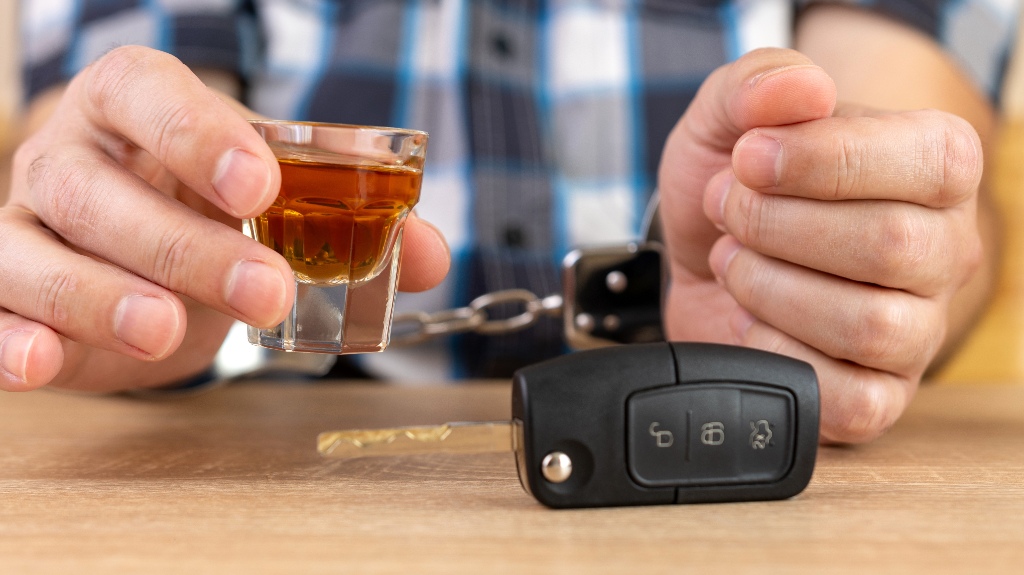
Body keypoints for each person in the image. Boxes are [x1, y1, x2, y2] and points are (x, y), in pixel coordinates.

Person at [1, 0, 1017, 444]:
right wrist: (130, 267)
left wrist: (816, 258)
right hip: (268, 440)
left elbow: (918, 166)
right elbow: (112, 137)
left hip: (698, 423)